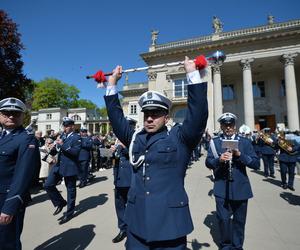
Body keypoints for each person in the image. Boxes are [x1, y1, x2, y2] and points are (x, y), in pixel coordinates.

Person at [101, 56, 208, 249]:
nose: (149, 118)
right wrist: (111, 86)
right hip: (136, 224)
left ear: (166, 117)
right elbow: (117, 121)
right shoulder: (135, 138)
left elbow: (197, 116)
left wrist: (192, 75)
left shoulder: (180, 138)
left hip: (170, 225)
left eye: (156, 114)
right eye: (146, 114)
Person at [205, 112, 259, 250]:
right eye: (225, 125)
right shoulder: (214, 142)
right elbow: (208, 162)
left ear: (235, 126)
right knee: (223, 220)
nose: (228, 128)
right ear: (221, 126)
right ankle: (226, 245)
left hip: (241, 187)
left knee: (239, 221)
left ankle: (237, 246)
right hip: (221, 187)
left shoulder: (245, 142)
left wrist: (240, 155)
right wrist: (219, 159)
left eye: (231, 125)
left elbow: (256, 164)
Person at [0, 97, 40, 250]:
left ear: (23, 116)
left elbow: (23, 176)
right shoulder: (2, 136)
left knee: (7, 243)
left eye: (16, 113)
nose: (11, 116)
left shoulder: (26, 139)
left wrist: (10, 207)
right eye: (6, 112)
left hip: (7, 199)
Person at [44, 117, 81, 224]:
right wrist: (50, 151)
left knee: (71, 190)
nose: (65, 128)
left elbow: (75, 152)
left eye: (67, 126)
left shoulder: (76, 137)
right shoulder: (63, 136)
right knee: (48, 185)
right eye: (64, 126)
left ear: (72, 126)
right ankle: (60, 202)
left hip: (70, 166)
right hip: (58, 165)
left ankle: (69, 213)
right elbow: (57, 150)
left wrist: (62, 144)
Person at [111, 117, 136, 244]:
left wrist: (120, 148)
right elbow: (117, 158)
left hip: (130, 178)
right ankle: (123, 229)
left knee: (132, 206)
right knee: (119, 205)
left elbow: (134, 153)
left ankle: (133, 230)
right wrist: (112, 152)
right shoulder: (118, 139)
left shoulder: (135, 138)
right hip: (119, 177)